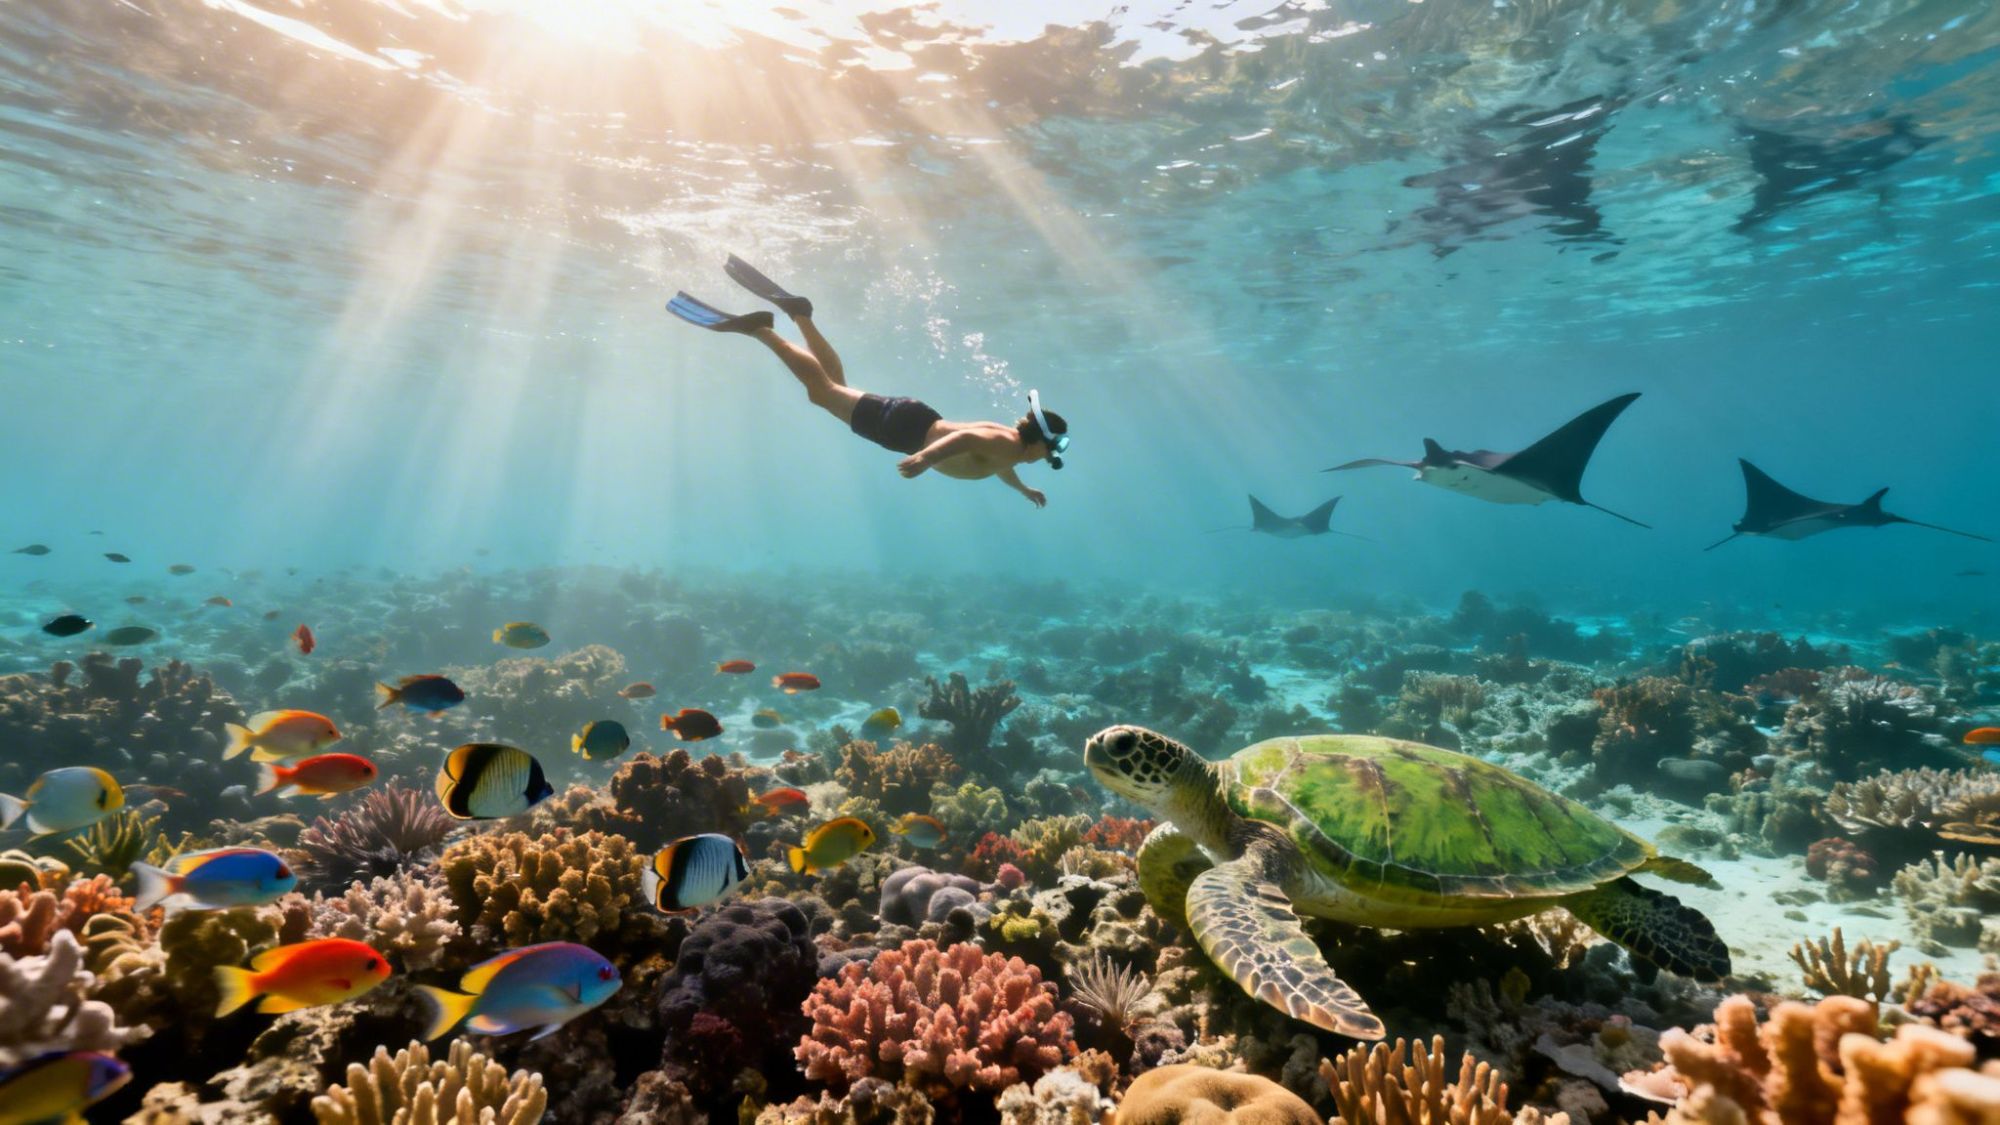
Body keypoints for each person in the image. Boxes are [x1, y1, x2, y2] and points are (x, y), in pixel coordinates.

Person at [668, 256, 1068, 508]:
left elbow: (998, 465)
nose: (1049, 458)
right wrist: (926, 459)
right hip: (902, 430)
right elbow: (964, 442)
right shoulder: (1004, 443)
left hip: (911, 420)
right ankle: (761, 330)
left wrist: (1023, 491)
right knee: (821, 392)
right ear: (1040, 440)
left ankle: (800, 314)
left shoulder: (1011, 449)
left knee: (833, 384)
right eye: (1052, 451)